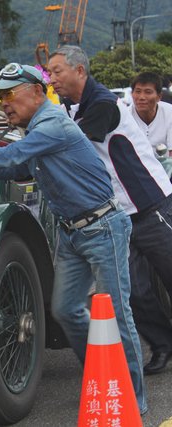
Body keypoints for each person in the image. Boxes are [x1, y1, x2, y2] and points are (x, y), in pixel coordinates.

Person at [0, 63, 147, 414]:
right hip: (72, 232)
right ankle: (103, 377)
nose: (4, 104)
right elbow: (19, 167)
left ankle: (132, 399)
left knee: (118, 315)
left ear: (38, 92)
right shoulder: (37, 132)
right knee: (66, 310)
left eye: (9, 94)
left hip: (103, 228)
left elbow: (13, 155)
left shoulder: (52, 124)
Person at [48, 45, 172, 377]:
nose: (52, 78)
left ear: (79, 71)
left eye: (57, 71)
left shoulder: (102, 102)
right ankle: (162, 345)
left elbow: (78, 145)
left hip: (150, 204)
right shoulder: (69, 107)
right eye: (49, 72)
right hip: (116, 215)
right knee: (134, 291)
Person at [129, 72, 172, 156]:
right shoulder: (124, 116)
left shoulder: (169, 113)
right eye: (138, 92)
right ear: (132, 94)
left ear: (159, 96)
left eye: (148, 92)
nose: (141, 97)